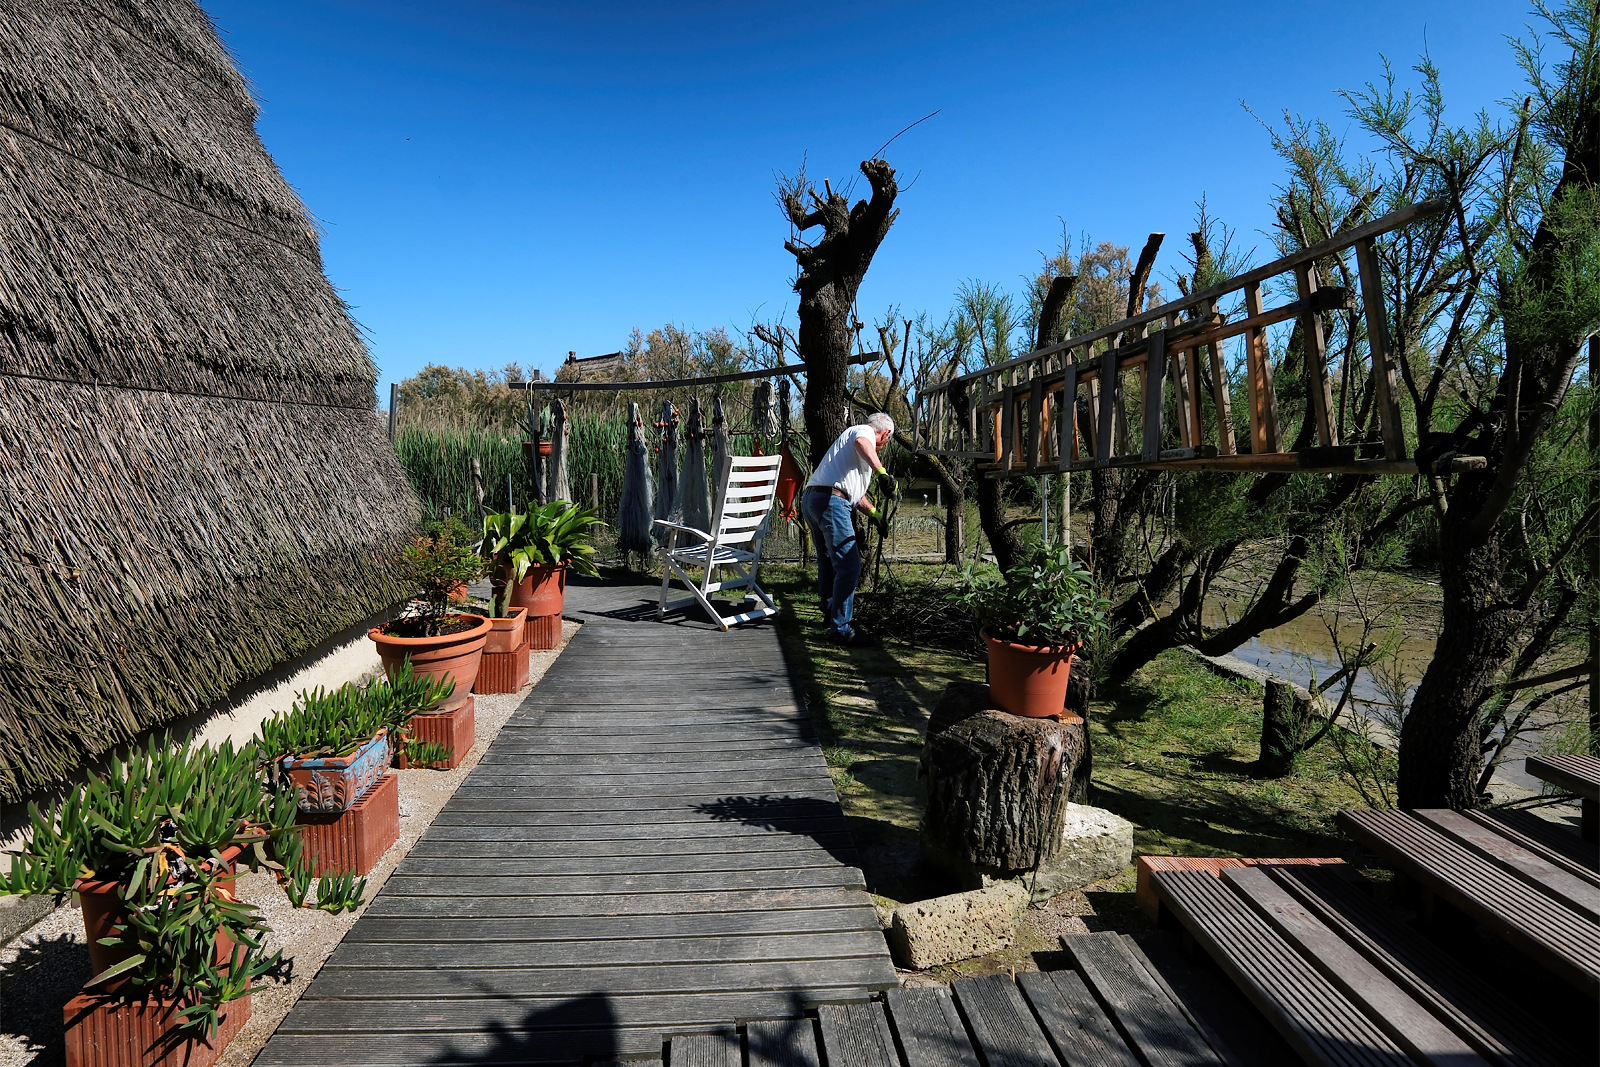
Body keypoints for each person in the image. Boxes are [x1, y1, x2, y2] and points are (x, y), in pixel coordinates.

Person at [801, 412, 898, 646]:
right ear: (885, 433)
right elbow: (862, 442)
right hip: (830, 502)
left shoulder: (851, 451)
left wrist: (874, 513)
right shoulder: (863, 432)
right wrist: (882, 474)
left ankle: (831, 614)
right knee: (849, 567)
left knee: (827, 562)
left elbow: (853, 493)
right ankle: (841, 630)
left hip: (814, 499)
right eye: (887, 441)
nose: (884, 445)